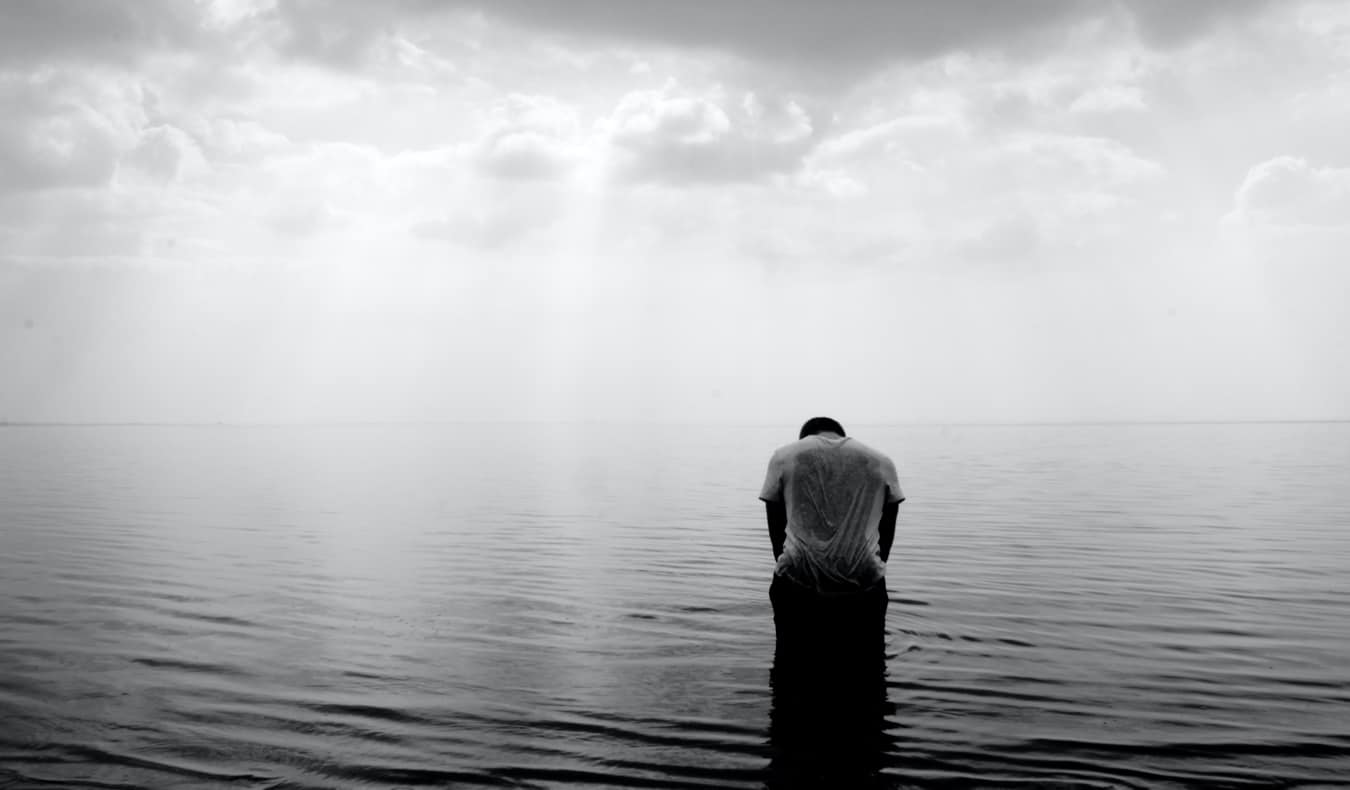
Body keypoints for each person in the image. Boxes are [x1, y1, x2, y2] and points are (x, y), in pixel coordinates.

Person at [758, 416, 904, 652]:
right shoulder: (880, 461)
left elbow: (776, 526)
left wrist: (790, 563)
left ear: (805, 436)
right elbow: (887, 526)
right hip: (864, 581)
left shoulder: (785, 457)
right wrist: (872, 565)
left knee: (791, 661)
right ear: (841, 434)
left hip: (798, 579)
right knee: (868, 666)